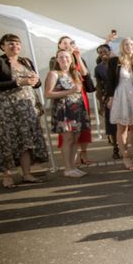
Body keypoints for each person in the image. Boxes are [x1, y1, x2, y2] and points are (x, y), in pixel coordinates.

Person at [0, 34, 48, 188]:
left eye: (18, 44)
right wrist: (19, 81)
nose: (15, 46)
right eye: (11, 44)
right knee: (6, 140)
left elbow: (37, 83)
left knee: (26, 140)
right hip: (5, 109)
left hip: (26, 109)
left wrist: (34, 81)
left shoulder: (25, 61)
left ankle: (26, 174)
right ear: (3, 46)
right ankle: (7, 176)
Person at [44, 50, 90, 178]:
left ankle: (73, 166)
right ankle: (67, 168)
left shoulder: (75, 74)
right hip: (63, 111)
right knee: (68, 139)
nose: (64, 59)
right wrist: (69, 91)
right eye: (61, 57)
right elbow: (48, 94)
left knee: (75, 139)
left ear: (71, 59)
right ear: (57, 60)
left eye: (67, 57)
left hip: (77, 110)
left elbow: (85, 78)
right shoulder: (54, 74)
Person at [49, 36, 94, 166]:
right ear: (59, 45)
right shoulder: (56, 59)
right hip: (65, 98)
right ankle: (70, 162)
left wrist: (78, 56)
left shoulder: (77, 57)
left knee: (83, 128)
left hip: (80, 95)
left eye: (71, 43)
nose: (68, 45)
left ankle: (83, 153)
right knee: (68, 133)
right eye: (65, 43)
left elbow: (86, 75)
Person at [107, 38, 133, 170]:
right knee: (122, 128)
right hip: (120, 96)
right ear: (122, 47)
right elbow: (110, 81)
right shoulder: (115, 61)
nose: (129, 46)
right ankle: (125, 156)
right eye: (126, 44)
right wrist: (109, 98)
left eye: (132, 44)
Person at [94, 44, 119, 160]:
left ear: (110, 51)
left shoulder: (118, 62)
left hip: (121, 95)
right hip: (108, 98)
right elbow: (99, 87)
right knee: (111, 124)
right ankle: (116, 148)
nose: (103, 53)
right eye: (100, 52)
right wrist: (101, 103)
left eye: (105, 51)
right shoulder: (98, 68)